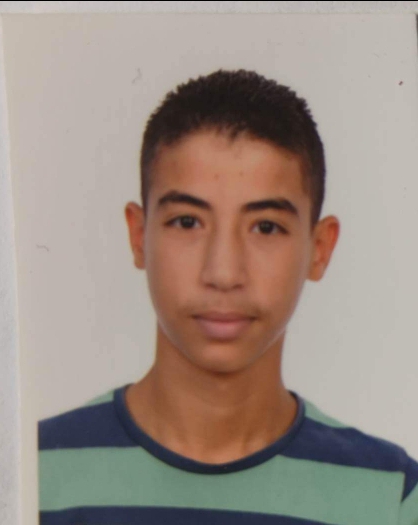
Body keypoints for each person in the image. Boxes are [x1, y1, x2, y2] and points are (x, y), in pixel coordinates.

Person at [38, 69, 418, 525]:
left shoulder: (390, 497)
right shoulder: (33, 475)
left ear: (319, 249)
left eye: (266, 227)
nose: (223, 273)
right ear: (139, 236)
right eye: (187, 222)